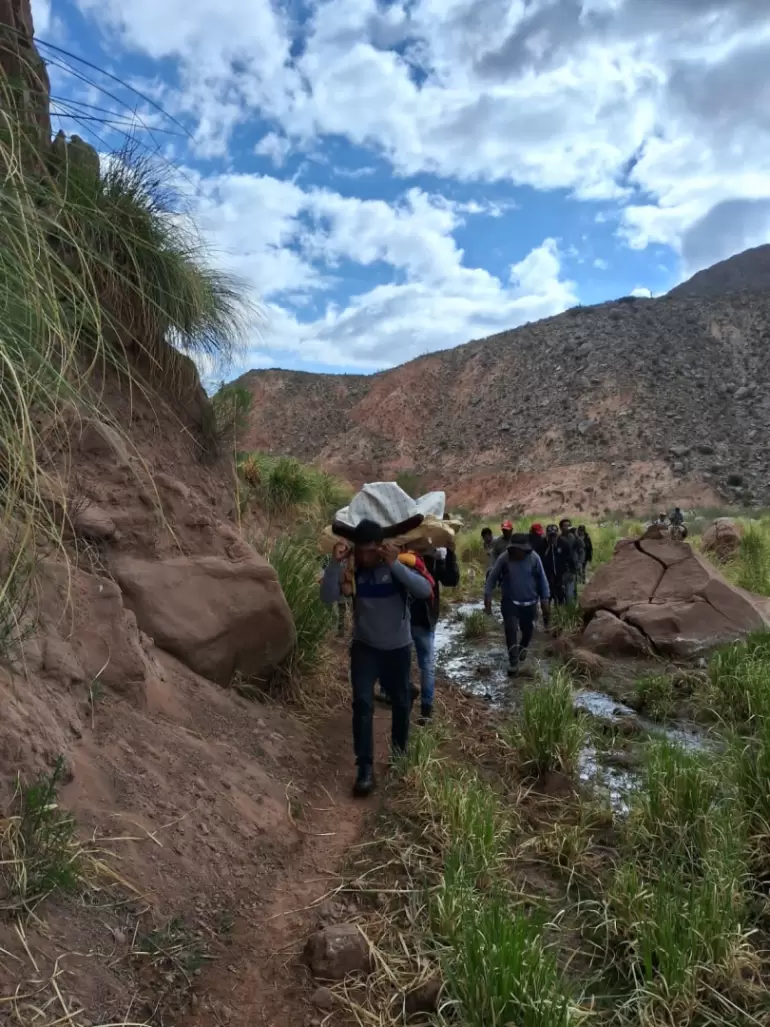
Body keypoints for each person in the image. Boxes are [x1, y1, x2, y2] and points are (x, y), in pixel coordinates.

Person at [320, 519, 432, 798]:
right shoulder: (352, 569)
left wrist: (394, 564)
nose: (365, 557)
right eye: (361, 551)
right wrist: (334, 564)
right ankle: (365, 769)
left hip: (398, 649)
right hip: (365, 648)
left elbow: (424, 591)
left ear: (380, 549)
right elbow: (326, 597)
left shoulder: (396, 568)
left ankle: (399, 755)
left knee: (402, 702)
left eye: (371, 552)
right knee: (362, 703)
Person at [408, 539, 460, 724]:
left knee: (409, 660)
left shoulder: (404, 553)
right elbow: (451, 580)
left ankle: (420, 706)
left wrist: (449, 554)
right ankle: (425, 710)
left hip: (413, 617)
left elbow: (451, 580)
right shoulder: (431, 557)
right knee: (425, 664)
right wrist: (449, 554)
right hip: (420, 617)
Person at [484, 533, 550, 676]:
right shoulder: (504, 558)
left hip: (531, 602)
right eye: (513, 549)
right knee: (511, 628)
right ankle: (513, 662)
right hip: (510, 601)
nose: (515, 553)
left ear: (525, 549)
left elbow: (543, 581)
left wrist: (545, 600)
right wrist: (487, 595)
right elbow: (492, 577)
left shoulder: (534, 558)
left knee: (527, 631)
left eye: (518, 550)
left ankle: (523, 647)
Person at [542, 524, 574, 605]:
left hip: (562, 574)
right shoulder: (543, 544)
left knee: (562, 594)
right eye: (550, 535)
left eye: (554, 535)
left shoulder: (564, 543)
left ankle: (561, 609)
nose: (552, 538)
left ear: (557, 534)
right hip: (548, 575)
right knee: (548, 594)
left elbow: (570, 558)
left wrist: (571, 571)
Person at [559, 518, 579, 602]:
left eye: (569, 525)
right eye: (565, 526)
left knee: (572, 588)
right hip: (562, 567)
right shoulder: (559, 539)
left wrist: (576, 535)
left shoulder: (573, 537)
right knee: (563, 589)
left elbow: (582, 546)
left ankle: (572, 606)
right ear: (561, 528)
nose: (567, 527)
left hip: (573, 566)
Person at [569, 526, 585, 591]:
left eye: (574, 531)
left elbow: (582, 550)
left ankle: (574, 595)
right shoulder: (563, 538)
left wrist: (580, 562)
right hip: (567, 563)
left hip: (574, 562)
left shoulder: (577, 539)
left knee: (574, 580)